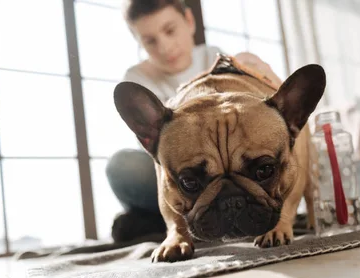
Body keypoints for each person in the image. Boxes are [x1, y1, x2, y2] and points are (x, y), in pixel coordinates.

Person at [106, 0, 282, 241]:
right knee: (123, 167)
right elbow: (158, 152)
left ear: (189, 21)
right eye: (150, 40)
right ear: (137, 40)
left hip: (228, 159)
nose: (165, 46)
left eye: (169, 30)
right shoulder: (137, 77)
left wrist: (263, 76)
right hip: (181, 173)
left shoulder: (215, 57)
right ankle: (173, 217)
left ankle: (151, 220)